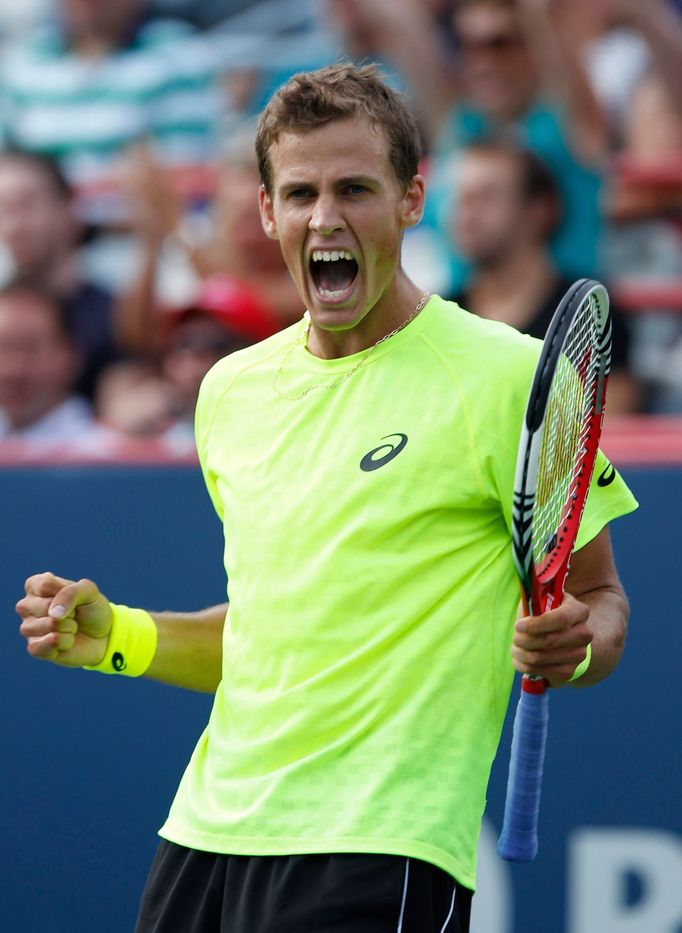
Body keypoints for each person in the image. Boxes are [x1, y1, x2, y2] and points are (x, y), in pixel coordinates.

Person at [16, 64, 637, 932]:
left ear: (412, 198)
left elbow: (601, 603)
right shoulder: (230, 392)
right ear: (267, 210)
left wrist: (574, 643)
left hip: (381, 846)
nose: (326, 218)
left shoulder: (513, 377)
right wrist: (117, 634)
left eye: (355, 188)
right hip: (204, 839)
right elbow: (268, 638)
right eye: (300, 192)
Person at [447, 140, 641, 415]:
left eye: (487, 196)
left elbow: (609, 433)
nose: (466, 212)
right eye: (460, 197)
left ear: (539, 211)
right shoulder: (442, 312)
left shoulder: (591, 313)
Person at [0, 149, 122, 399]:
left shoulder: (118, 318)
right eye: (3, 209)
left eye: (26, 205)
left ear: (67, 208)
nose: (13, 226)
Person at [0, 284, 113, 447]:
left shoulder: (109, 454)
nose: (14, 370)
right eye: (3, 349)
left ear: (70, 356)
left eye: (30, 349)